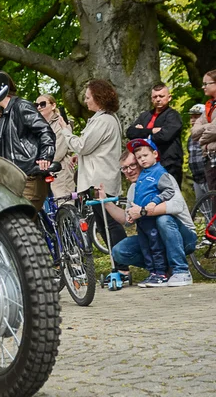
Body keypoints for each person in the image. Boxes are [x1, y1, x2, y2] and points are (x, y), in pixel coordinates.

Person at [58, 79, 128, 276]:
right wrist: (78, 156)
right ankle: (121, 265)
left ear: (98, 98)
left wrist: (65, 130)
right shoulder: (102, 119)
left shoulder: (104, 120)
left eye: (88, 97)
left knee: (110, 224)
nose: (86, 101)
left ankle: (122, 266)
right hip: (98, 178)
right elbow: (90, 148)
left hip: (101, 180)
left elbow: (82, 145)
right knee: (103, 224)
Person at [101, 150, 197, 288]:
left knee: (163, 220)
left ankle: (181, 271)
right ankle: (160, 273)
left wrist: (143, 211)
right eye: (125, 168)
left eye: (133, 165)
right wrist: (106, 202)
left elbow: (177, 205)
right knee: (119, 251)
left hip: (183, 238)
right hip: (154, 238)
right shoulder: (134, 188)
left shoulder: (162, 176)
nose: (129, 171)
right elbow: (127, 220)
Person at [0, 71, 55, 210]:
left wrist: (45, 156)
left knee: (18, 224)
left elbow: (45, 130)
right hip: (12, 182)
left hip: (28, 178)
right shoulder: (2, 117)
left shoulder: (21, 106)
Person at [126, 138, 175, 281]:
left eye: (145, 156)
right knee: (145, 246)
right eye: (139, 158)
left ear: (155, 154)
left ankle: (161, 273)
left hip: (152, 218)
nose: (142, 160)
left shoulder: (160, 172)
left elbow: (169, 190)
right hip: (141, 220)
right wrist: (131, 213)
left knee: (156, 246)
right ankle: (152, 273)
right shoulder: (143, 174)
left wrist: (155, 201)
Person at [126, 83, 184, 185]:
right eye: (155, 97)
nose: (158, 99)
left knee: (169, 195)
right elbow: (130, 132)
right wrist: (151, 131)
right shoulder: (145, 116)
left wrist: (141, 133)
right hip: (146, 165)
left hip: (168, 163)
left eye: (161, 96)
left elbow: (165, 136)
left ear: (169, 97)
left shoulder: (173, 116)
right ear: (151, 99)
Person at [35, 94, 74, 197]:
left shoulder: (62, 122)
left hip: (60, 170)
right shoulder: (37, 125)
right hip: (42, 171)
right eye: (36, 105)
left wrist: (42, 162)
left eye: (42, 104)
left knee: (63, 203)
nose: (39, 107)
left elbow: (60, 149)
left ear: (53, 106)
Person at [190, 70, 216, 210]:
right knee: (213, 199)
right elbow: (194, 132)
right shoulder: (208, 106)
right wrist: (207, 128)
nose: (203, 86)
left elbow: (214, 129)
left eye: (206, 83)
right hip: (209, 158)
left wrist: (202, 139)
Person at [187, 104, 210, 211]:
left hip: (208, 176)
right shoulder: (190, 138)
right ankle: (208, 227)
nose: (193, 120)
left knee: (213, 206)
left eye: (196, 117)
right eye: (191, 117)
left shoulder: (209, 134)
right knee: (203, 209)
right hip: (196, 178)